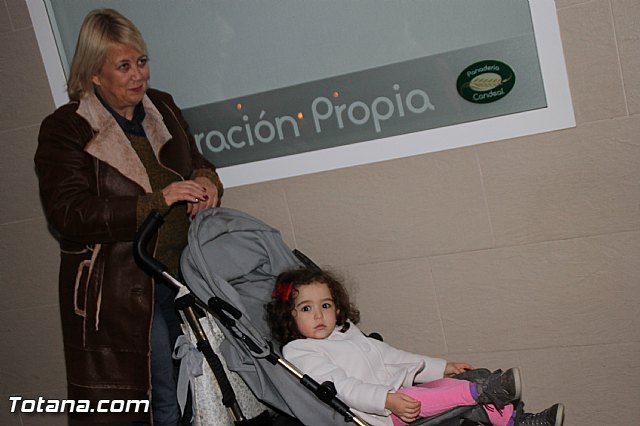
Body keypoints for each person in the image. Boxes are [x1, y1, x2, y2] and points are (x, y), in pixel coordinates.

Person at [34, 8, 223, 425]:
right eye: (124, 66)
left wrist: (207, 182)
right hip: (122, 293)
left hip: (183, 276)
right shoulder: (67, 128)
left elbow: (198, 163)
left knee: (200, 392)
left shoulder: (163, 108)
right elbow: (69, 213)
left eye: (141, 61)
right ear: (95, 75)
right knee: (160, 405)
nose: (139, 75)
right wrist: (157, 201)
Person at [266, 268, 565, 426]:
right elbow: (342, 388)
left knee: (470, 376)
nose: (319, 315)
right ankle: (485, 391)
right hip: (382, 413)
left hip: (402, 395)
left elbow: (392, 356)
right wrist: (386, 400)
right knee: (467, 392)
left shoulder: (346, 332)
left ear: (337, 307)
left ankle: (519, 420)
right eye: (306, 309)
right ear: (288, 316)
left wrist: (442, 367)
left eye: (326, 305)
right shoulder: (299, 352)